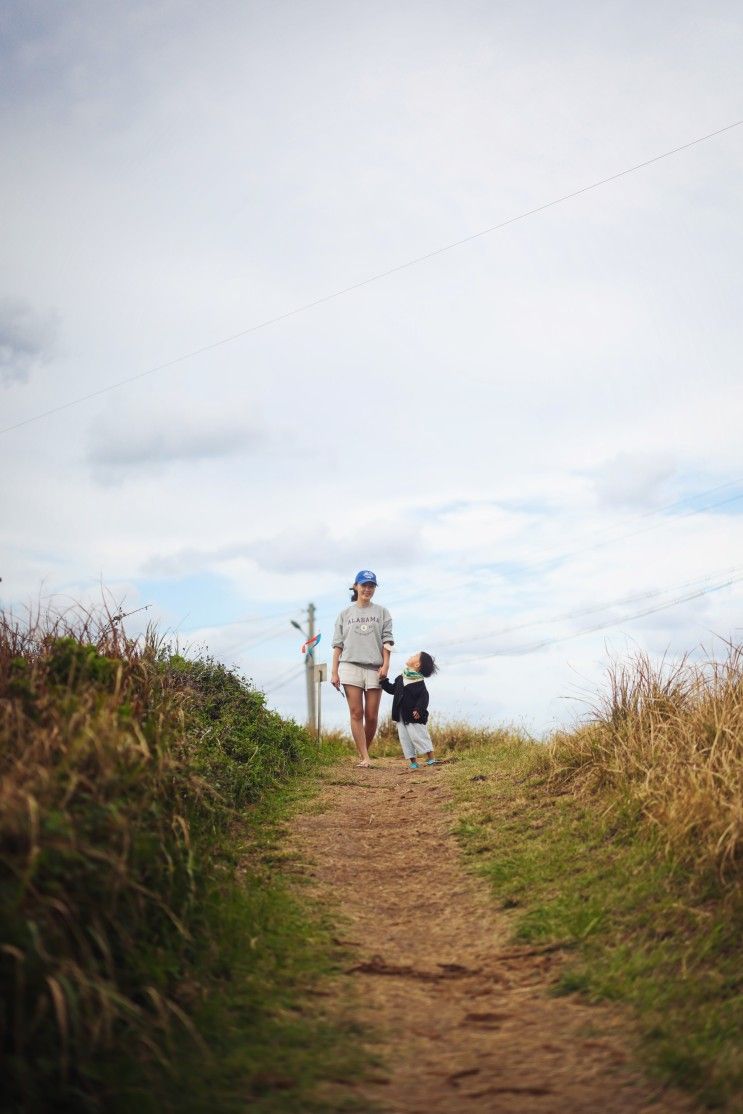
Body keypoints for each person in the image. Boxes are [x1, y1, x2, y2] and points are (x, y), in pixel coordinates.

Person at [331, 570, 394, 767]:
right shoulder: (345, 614)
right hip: (350, 666)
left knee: (372, 716)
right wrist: (334, 672)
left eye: (371, 586)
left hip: (375, 667)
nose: (367, 589)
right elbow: (338, 645)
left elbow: (387, 641)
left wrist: (386, 665)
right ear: (356, 586)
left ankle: (364, 751)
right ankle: (366, 757)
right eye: (364, 585)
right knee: (356, 713)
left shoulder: (382, 612)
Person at [381, 651, 438, 770]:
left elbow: (424, 697)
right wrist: (383, 681)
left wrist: (419, 709)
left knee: (420, 736)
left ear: (417, 665)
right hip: (401, 716)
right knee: (405, 739)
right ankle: (413, 761)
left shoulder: (419, 682)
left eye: (415, 656)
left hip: (414, 716)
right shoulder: (401, 677)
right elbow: (392, 690)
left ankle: (431, 757)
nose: (411, 656)